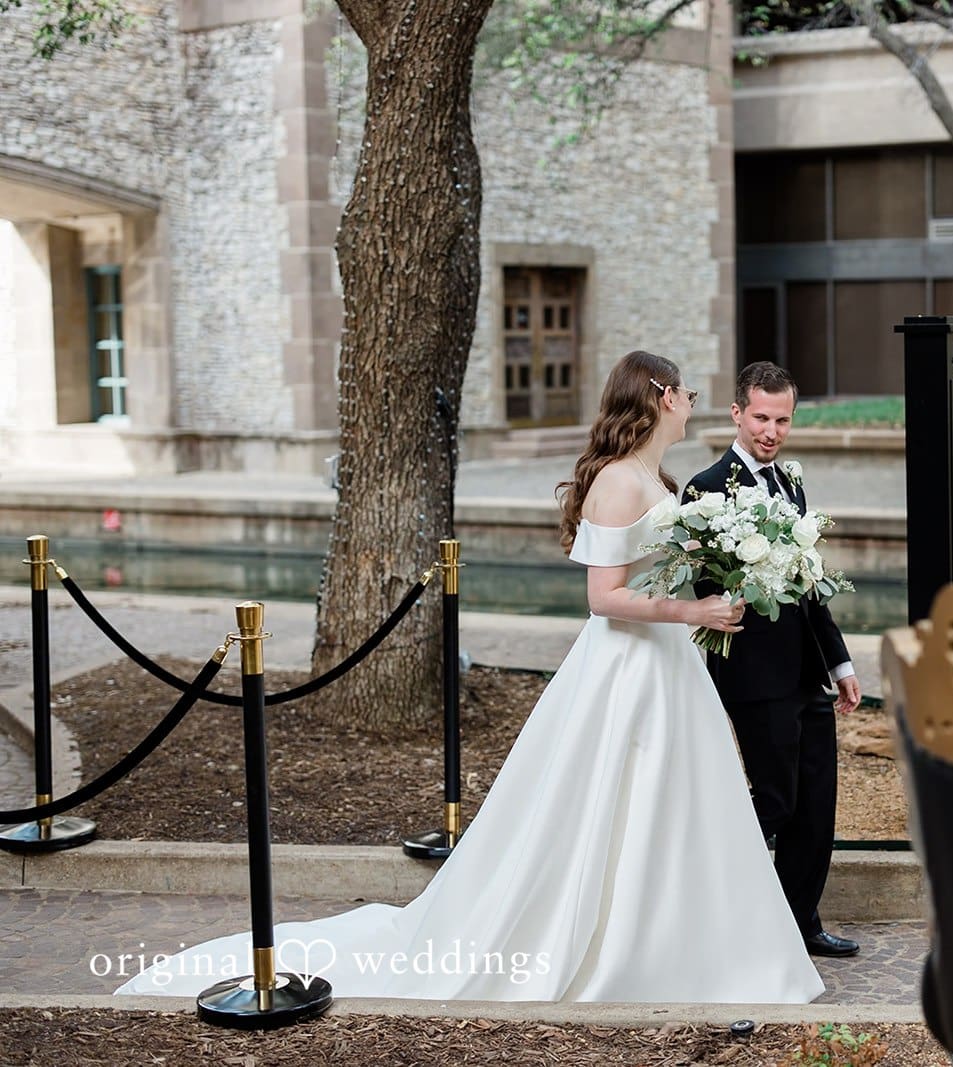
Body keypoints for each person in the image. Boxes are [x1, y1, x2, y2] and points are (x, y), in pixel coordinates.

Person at [113, 350, 824, 1003]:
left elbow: (655, 566)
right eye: (687, 392)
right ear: (661, 396)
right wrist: (690, 609)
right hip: (628, 669)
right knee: (616, 803)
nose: (693, 402)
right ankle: (616, 948)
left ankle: (681, 943)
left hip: (668, 667)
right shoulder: (616, 481)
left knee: (679, 805)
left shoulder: (657, 478)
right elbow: (603, 598)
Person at [684, 361, 864, 959]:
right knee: (776, 800)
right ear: (737, 413)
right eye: (761, 418)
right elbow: (703, 592)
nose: (771, 431)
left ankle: (798, 926)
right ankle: (716, 909)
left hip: (807, 671)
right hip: (753, 675)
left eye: (782, 420)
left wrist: (840, 664)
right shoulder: (706, 489)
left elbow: (812, 586)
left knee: (816, 807)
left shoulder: (790, 483)